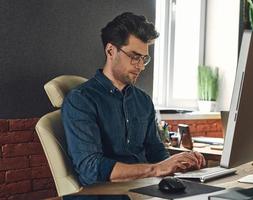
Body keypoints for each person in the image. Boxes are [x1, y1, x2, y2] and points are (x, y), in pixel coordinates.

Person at [62, 12, 206, 187]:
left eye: (144, 59)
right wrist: (156, 170)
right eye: (134, 57)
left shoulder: (143, 101)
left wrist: (180, 164)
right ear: (110, 51)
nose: (140, 66)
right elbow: (91, 169)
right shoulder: (81, 100)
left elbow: (156, 152)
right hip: (107, 193)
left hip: (145, 188)